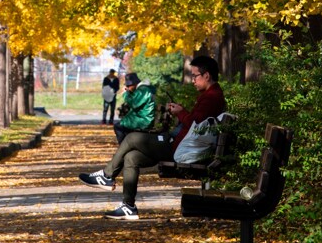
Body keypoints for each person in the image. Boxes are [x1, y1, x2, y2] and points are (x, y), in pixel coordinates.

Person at [79, 55, 226, 221]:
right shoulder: (211, 94)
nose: (193, 80)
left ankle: (107, 176)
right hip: (181, 145)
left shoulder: (211, 97)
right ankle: (128, 207)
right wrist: (181, 112)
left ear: (206, 76)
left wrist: (180, 112)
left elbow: (194, 124)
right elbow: (197, 123)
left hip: (179, 149)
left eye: (195, 76)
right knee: (131, 157)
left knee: (132, 138)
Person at [114, 72, 156, 143]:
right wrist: (129, 92)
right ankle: (128, 145)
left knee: (118, 127)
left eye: (128, 85)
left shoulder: (143, 90)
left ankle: (124, 146)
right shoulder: (142, 89)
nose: (127, 87)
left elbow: (134, 103)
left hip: (144, 120)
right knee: (121, 125)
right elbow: (135, 100)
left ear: (135, 83)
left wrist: (125, 94)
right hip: (142, 118)